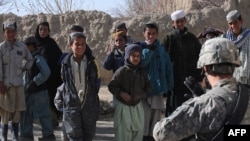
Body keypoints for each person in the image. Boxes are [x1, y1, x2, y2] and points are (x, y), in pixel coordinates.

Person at [153, 37, 250, 141]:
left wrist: (194, 104)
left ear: (205, 67)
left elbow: (161, 132)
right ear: (234, 65)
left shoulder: (206, 104)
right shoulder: (246, 94)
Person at [54, 32, 100, 141]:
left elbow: (96, 83)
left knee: (88, 135)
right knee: (74, 136)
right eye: (77, 44)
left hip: (88, 106)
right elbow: (65, 84)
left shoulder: (92, 63)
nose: (80, 47)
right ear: (70, 46)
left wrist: (92, 100)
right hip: (72, 106)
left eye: (83, 44)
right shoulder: (65, 64)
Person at [162, 10, 203, 116]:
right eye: (177, 22)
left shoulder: (192, 38)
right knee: (174, 112)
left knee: (190, 111)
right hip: (174, 83)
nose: (179, 24)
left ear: (185, 21)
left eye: (181, 21)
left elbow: (199, 57)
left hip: (190, 82)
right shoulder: (169, 38)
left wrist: (199, 77)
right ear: (173, 23)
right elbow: (163, 61)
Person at [138, 22, 174, 141]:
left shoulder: (161, 49)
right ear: (144, 34)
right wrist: (148, 49)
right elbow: (142, 63)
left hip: (158, 90)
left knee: (155, 122)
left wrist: (169, 86)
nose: (151, 36)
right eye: (148, 34)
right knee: (144, 121)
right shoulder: (141, 48)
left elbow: (167, 67)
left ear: (157, 34)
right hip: (145, 91)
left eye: (154, 34)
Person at [108, 44, 150, 141]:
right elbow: (112, 86)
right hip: (124, 107)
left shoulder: (142, 72)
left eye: (138, 56)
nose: (136, 58)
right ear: (127, 56)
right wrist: (121, 93)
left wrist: (140, 95)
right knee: (123, 134)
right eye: (133, 55)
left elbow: (148, 88)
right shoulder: (121, 71)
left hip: (138, 107)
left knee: (138, 133)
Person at [0, 21, 33, 141]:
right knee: (4, 114)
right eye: (8, 32)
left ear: (16, 32)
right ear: (4, 33)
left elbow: (30, 60)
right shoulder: (1, 48)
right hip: (5, 86)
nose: (10, 34)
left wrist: (23, 69)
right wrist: (0, 83)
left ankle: (15, 137)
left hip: (18, 86)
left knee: (16, 114)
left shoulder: (22, 47)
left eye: (12, 31)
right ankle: (3, 137)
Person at [19, 36, 55, 141]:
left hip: (38, 93)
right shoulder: (29, 59)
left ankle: (47, 137)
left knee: (42, 115)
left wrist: (35, 82)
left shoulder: (38, 58)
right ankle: (27, 136)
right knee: (27, 115)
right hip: (30, 93)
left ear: (30, 47)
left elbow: (46, 72)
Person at [35, 21, 63, 128]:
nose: (42, 32)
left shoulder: (51, 43)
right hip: (38, 78)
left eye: (45, 30)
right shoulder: (34, 44)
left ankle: (52, 121)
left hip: (51, 79)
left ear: (49, 31)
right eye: (41, 29)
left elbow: (59, 59)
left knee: (50, 99)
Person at [223, 10, 250, 85]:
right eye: (230, 23)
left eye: (235, 22)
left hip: (247, 77)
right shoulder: (225, 39)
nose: (233, 26)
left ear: (241, 21)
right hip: (231, 78)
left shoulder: (248, 36)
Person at [103, 31, 127, 107]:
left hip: (128, 85)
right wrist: (110, 53)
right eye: (116, 40)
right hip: (117, 86)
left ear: (125, 41)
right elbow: (106, 66)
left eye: (121, 40)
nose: (118, 42)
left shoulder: (129, 52)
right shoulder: (114, 54)